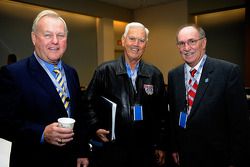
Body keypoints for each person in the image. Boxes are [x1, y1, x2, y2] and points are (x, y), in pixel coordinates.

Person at [0, 10, 89, 167]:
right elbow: (4, 123)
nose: (55, 41)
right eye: (47, 35)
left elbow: (79, 116)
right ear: (34, 38)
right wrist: (41, 133)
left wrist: (81, 151)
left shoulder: (71, 73)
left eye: (60, 35)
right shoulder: (13, 74)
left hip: (69, 160)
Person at [86, 22, 167, 167]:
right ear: (123, 41)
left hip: (146, 150)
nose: (136, 44)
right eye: (132, 39)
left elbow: (162, 113)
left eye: (141, 40)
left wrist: (161, 144)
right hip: (113, 149)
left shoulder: (155, 74)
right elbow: (88, 102)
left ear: (146, 45)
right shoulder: (104, 71)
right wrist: (95, 127)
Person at [167, 24, 249, 167]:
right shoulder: (174, 75)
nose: (186, 48)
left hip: (217, 158)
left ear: (203, 43)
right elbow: (173, 115)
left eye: (192, 41)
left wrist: (235, 161)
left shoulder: (228, 72)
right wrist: (175, 147)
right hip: (185, 156)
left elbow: (240, 123)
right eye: (181, 43)